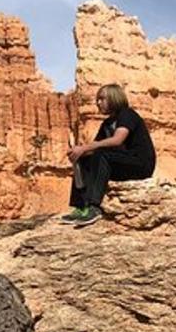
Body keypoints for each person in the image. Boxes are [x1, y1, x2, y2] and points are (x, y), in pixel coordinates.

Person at [61, 83, 156, 227]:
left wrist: (86, 148)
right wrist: (78, 152)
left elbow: (117, 140)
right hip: (121, 163)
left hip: (140, 164)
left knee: (102, 155)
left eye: (102, 99)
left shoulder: (127, 114)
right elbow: (93, 148)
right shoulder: (107, 123)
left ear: (114, 98)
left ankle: (94, 207)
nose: (98, 103)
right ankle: (81, 206)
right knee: (83, 159)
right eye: (97, 99)